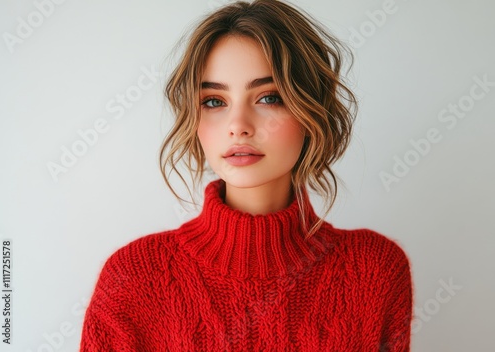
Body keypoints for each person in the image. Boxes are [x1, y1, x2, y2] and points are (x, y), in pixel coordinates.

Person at [80, 0, 413, 351]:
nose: (238, 126)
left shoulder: (373, 270)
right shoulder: (134, 278)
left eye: (269, 97)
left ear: (311, 110)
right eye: (213, 101)